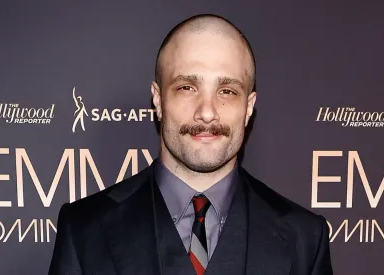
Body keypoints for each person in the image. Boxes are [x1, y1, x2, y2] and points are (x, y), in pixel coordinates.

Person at [49, 13, 334, 275]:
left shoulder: (305, 238)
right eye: (187, 87)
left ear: (249, 107)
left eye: (227, 90)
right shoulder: (84, 229)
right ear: (158, 100)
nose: (207, 112)